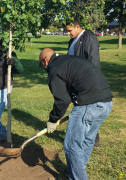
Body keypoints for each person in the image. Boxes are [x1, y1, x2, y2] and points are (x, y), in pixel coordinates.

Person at [39, 48, 113, 180]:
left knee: (72, 145)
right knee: (88, 139)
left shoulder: (54, 69)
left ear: (45, 60)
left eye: (41, 64)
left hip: (88, 105)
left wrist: (53, 119)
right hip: (106, 103)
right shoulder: (69, 60)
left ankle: (78, 177)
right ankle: (77, 168)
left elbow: (62, 100)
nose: (43, 67)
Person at [63, 17, 102, 147]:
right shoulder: (73, 41)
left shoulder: (89, 38)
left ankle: (93, 138)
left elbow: (93, 62)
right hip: (76, 82)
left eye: (69, 30)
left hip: (87, 82)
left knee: (88, 110)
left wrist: (88, 82)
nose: (68, 33)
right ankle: (89, 136)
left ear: (78, 27)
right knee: (82, 109)